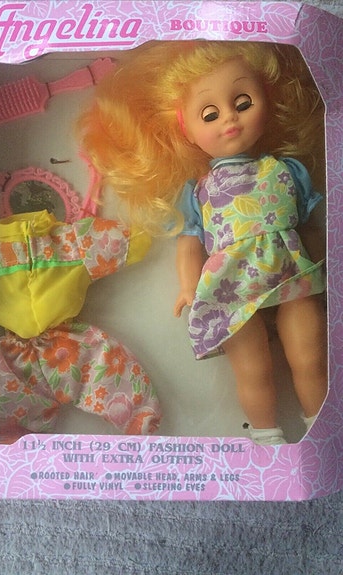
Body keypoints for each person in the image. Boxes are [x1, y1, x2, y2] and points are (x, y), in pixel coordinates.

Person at [78, 41, 327, 444]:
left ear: (268, 99)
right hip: (230, 287)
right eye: (209, 114)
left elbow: (310, 226)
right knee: (253, 369)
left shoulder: (288, 170)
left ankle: (323, 424)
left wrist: (324, 261)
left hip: (292, 273)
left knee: (310, 354)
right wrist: (188, 287)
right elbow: (190, 242)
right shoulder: (199, 190)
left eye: (243, 102)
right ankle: (267, 438)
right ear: (184, 127)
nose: (229, 118)